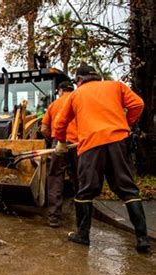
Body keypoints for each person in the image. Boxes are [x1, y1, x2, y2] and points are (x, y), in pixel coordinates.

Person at [54, 63, 151, 253]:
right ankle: (142, 238)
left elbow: (60, 122)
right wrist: (125, 124)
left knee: (85, 191)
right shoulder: (116, 86)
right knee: (128, 189)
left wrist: (60, 141)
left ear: (79, 81)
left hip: (91, 146)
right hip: (118, 142)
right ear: (96, 77)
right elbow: (138, 104)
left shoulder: (75, 95)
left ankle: (82, 235)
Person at [41, 81, 78, 228]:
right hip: (78, 143)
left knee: (56, 177)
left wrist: (53, 140)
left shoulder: (54, 105)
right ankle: (81, 215)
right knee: (79, 177)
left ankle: (53, 218)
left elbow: (44, 128)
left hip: (59, 143)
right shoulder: (78, 100)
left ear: (60, 91)